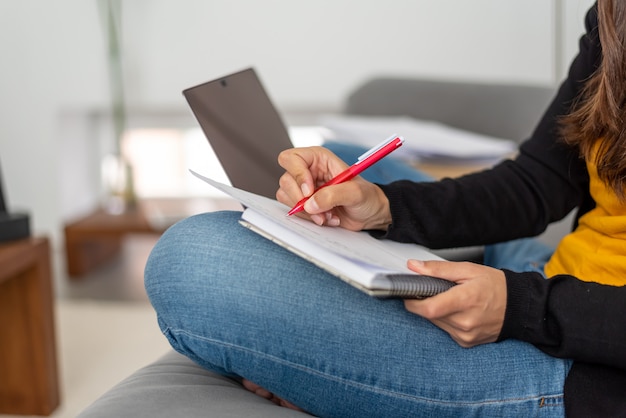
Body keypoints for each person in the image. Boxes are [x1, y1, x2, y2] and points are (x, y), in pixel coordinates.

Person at [145, 2, 626, 417]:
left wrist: (524, 308)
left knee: (191, 263)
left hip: (587, 367)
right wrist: (383, 207)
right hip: (564, 279)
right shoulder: (612, 16)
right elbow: (537, 183)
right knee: (346, 155)